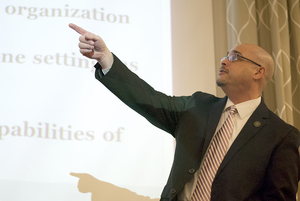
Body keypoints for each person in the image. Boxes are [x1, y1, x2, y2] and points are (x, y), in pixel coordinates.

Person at [69, 23, 300, 201]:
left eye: (233, 57)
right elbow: (148, 99)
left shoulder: (281, 136)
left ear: (258, 72)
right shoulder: (198, 107)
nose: (223, 61)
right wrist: (105, 58)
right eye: (224, 56)